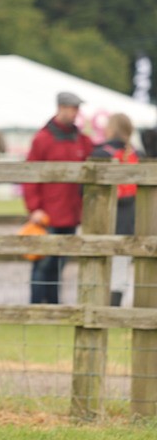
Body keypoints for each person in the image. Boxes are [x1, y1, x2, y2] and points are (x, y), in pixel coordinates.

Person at [23, 92, 95, 304]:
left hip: (70, 213)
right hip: (47, 214)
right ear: (61, 108)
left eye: (77, 109)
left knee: (59, 264)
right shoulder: (43, 139)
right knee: (42, 263)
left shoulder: (81, 140)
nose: (76, 113)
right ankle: (36, 307)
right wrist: (34, 208)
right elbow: (30, 176)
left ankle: (54, 306)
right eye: (73, 109)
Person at [91, 113, 143, 306]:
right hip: (130, 219)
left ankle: (97, 303)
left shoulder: (100, 154)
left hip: (102, 218)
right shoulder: (138, 155)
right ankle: (114, 306)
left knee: (97, 262)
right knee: (121, 266)